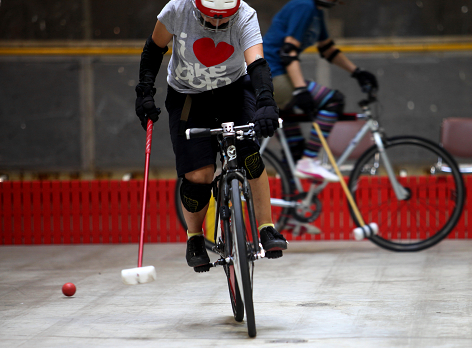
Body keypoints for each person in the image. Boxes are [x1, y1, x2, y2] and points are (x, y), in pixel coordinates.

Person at [135, 0, 288, 272]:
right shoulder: (176, 10)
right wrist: (144, 91)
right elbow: (154, 48)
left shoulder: (245, 15)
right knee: (198, 175)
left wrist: (266, 102)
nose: (217, 24)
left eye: (224, 20)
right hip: (188, 95)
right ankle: (194, 237)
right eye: (210, 19)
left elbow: (257, 63)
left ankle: (267, 229)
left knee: (249, 153)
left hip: (234, 90)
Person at [262, 0, 379, 185]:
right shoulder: (304, 5)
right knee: (333, 100)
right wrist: (301, 89)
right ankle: (309, 161)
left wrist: (357, 72)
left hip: (275, 77)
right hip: (272, 77)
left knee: (294, 151)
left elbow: (327, 49)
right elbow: (288, 52)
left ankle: (291, 205)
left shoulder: (317, 11)